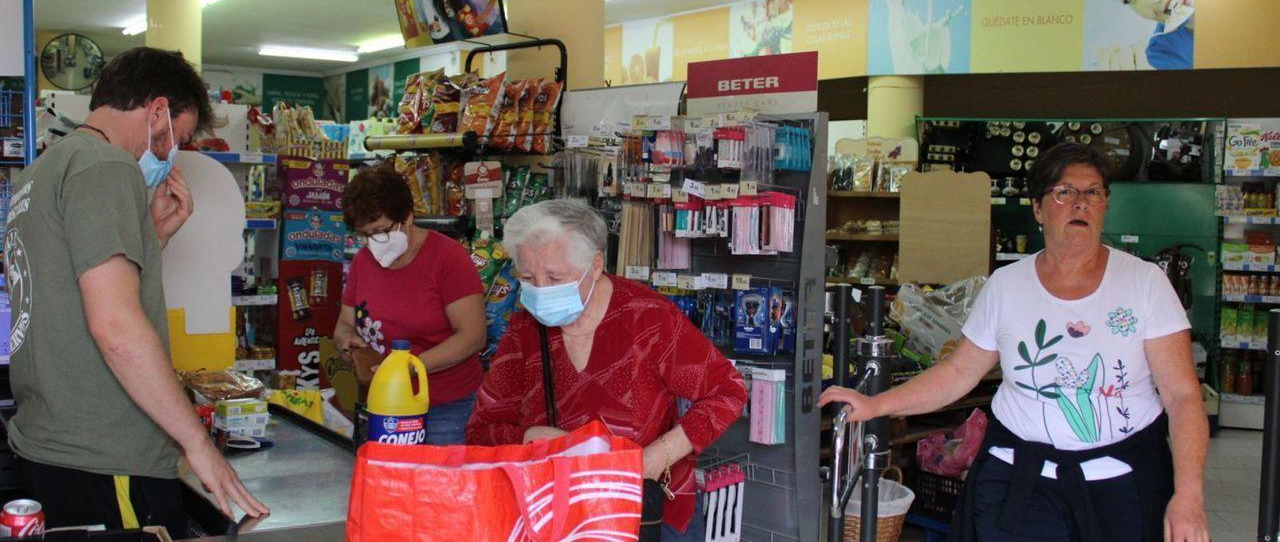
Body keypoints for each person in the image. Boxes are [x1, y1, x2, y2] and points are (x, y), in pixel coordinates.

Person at [820, 143, 1209, 542]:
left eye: (1093, 192)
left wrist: (1189, 496)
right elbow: (958, 373)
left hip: (1121, 485)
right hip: (1021, 486)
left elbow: (1181, 395)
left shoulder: (1144, 284)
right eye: (1064, 192)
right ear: (1038, 209)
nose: (1081, 204)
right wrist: (877, 404)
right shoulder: (1007, 286)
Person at [4, 47, 269, 534]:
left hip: (49, 446)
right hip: (107, 456)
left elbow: (68, 291)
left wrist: (151, 236)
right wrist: (198, 445)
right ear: (158, 110)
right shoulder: (107, 166)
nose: (169, 156)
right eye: (177, 140)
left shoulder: (42, 172)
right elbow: (116, 328)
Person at [466, 199, 748, 541]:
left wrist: (655, 457)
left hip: (645, 514)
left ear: (595, 265)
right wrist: (528, 439)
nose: (540, 289)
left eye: (554, 276)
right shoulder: (525, 329)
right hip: (555, 517)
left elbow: (727, 390)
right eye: (528, 277)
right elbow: (482, 430)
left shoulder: (647, 318)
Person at [335, 163, 486, 444]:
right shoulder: (363, 262)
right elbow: (344, 323)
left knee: (440, 486)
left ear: (407, 217)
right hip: (382, 405)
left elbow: (473, 336)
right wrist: (348, 342)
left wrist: (409, 367)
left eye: (380, 230)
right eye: (364, 235)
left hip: (444, 408)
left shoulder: (447, 259)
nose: (373, 242)